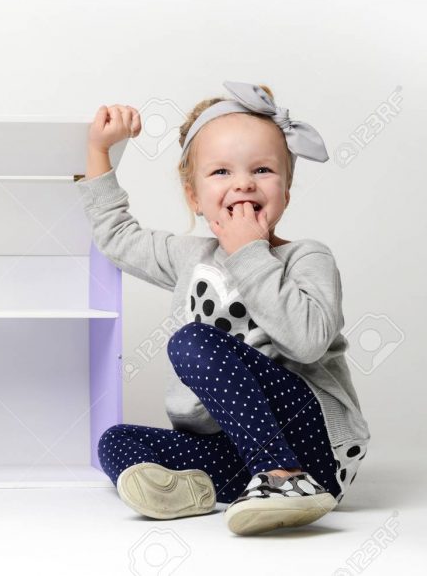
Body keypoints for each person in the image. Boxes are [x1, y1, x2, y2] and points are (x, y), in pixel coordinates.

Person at [75, 81, 371, 536]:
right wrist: (99, 152)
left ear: (287, 190)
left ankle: (286, 479)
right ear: (194, 197)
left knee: (191, 342)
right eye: (221, 173)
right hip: (233, 452)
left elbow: (308, 342)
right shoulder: (189, 256)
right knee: (116, 442)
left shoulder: (308, 257)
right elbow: (119, 238)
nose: (243, 183)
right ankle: (200, 493)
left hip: (313, 448)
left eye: (263, 170)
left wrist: (250, 251)